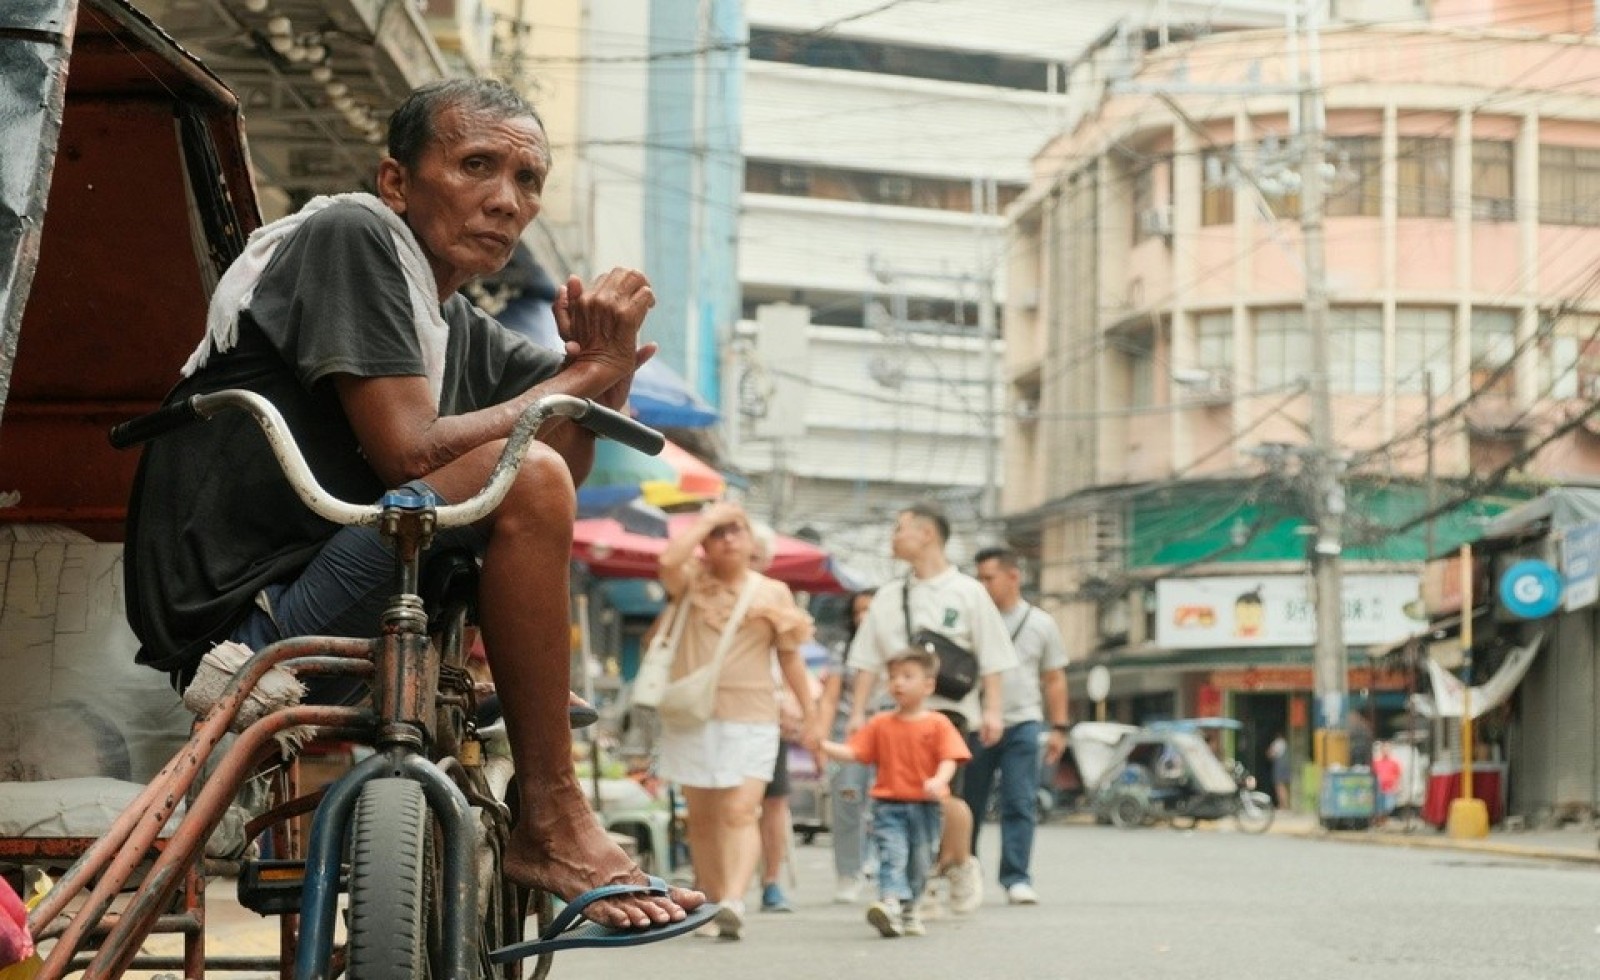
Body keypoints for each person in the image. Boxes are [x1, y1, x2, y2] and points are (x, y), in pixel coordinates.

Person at [121, 78, 704, 934]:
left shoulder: (455, 323)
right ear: (398, 182)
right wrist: (580, 379)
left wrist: (606, 366)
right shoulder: (351, 232)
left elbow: (553, 476)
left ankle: (542, 802)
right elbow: (409, 448)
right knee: (525, 473)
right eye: (477, 165)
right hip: (243, 624)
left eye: (528, 180)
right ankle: (550, 813)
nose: (507, 201)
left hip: (346, 588)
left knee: (533, 478)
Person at [846, 502, 1018, 916]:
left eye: (899, 528)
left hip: (950, 713)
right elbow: (866, 661)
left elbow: (992, 656)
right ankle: (918, 879)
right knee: (901, 800)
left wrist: (993, 711)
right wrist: (857, 713)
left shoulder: (968, 592)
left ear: (927, 534)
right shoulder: (887, 597)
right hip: (895, 716)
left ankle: (957, 864)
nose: (892, 536)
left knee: (943, 795)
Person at [657, 500, 815, 940]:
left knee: (741, 810)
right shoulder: (689, 581)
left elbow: (791, 659)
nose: (727, 538)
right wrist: (707, 518)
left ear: (752, 542)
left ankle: (732, 900)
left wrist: (811, 713)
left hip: (754, 716)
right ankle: (707, 901)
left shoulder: (772, 592)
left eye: (736, 530)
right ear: (705, 543)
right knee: (703, 817)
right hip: (692, 714)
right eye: (717, 533)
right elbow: (669, 559)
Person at [821, 646, 971, 939]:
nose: (898, 683)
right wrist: (823, 746)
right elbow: (855, 752)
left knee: (920, 862)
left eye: (907, 676)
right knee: (893, 854)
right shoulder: (880, 723)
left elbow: (949, 758)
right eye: (892, 677)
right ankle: (889, 901)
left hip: (925, 807)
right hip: (888, 805)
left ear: (928, 685)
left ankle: (909, 908)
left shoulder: (938, 724)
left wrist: (939, 781)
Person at [969, 547, 1069, 906]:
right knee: (969, 802)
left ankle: (1016, 877)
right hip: (976, 722)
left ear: (1014, 576)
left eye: (988, 577)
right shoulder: (972, 619)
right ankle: (965, 870)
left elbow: (1054, 678)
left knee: (1019, 800)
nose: (982, 585)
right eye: (978, 578)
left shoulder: (1041, 623)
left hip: (1024, 722)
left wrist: (1059, 728)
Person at [811, 587, 877, 904]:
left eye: (870, 609)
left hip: (890, 736)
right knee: (847, 802)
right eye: (858, 611)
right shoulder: (842, 648)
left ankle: (882, 867)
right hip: (847, 739)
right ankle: (848, 873)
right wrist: (821, 744)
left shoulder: (898, 648)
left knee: (887, 806)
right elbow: (829, 698)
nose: (863, 617)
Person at [1372, 741, 1401, 825]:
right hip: (1379, 788)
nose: (1386, 751)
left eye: (1387, 749)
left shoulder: (1394, 763)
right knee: (1379, 806)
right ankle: (1380, 820)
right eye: (1384, 749)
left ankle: (1384, 819)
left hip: (1390, 788)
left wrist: (1397, 786)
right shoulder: (1376, 763)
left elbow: (1398, 775)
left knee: (1389, 806)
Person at [1267, 732, 1291, 810]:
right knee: (1285, 786)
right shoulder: (1285, 743)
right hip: (1286, 766)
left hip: (1279, 766)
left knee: (1279, 785)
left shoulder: (1277, 743)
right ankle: (1286, 805)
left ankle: (1282, 805)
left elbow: (1271, 753)